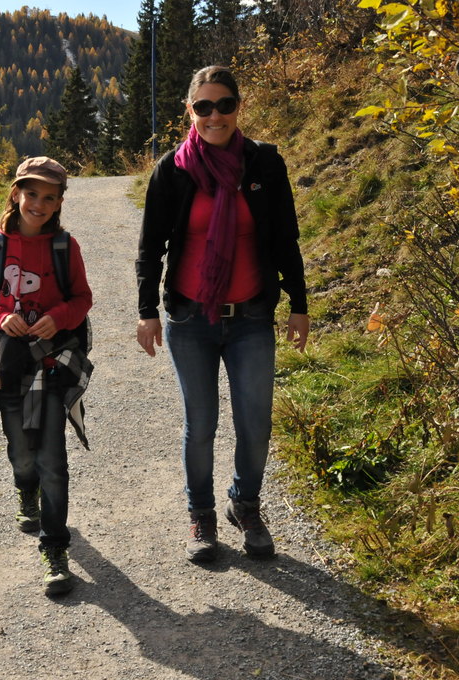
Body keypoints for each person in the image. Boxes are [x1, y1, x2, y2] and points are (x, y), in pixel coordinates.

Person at [135, 65, 309, 563]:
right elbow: (151, 247)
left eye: (225, 105)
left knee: (256, 423)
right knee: (202, 423)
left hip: (251, 317)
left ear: (238, 107)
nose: (215, 116)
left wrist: (299, 304)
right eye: (204, 106)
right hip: (191, 320)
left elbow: (286, 238)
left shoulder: (264, 164)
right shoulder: (172, 170)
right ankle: (201, 514)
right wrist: (147, 311)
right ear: (190, 111)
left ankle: (244, 504)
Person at [0, 156, 93, 595]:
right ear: (16, 193)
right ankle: (25, 488)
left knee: (53, 462)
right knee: (21, 453)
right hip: (11, 365)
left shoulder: (65, 247)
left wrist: (59, 318)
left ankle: (54, 547)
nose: (39, 203)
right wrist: (1, 317)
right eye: (31, 193)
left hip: (53, 365)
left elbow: (82, 298)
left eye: (49, 197)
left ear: (59, 203)